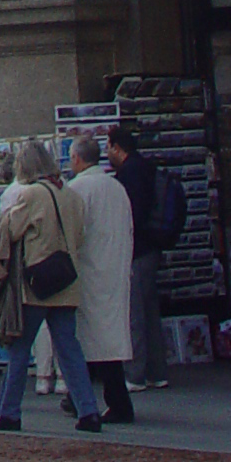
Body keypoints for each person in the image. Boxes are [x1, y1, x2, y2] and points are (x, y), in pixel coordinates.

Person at [0, 140, 101, 434]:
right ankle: (88, 410)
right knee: (69, 349)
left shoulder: (31, 194)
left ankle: (9, 412)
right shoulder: (71, 195)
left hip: (36, 283)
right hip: (66, 281)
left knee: (20, 350)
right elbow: (80, 236)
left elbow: (11, 230)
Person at [67, 134, 135, 424]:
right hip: (115, 267)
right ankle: (82, 396)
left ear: (77, 159)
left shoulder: (77, 189)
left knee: (91, 338)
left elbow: (73, 233)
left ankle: (110, 401)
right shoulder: (116, 187)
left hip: (90, 270)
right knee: (106, 338)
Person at [106, 125, 169, 390]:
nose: (107, 153)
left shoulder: (128, 174)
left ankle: (135, 373)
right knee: (150, 310)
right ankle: (157, 371)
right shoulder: (147, 167)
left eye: (108, 147)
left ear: (117, 148)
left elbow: (132, 213)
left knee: (134, 313)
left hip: (136, 249)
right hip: (151, 247)